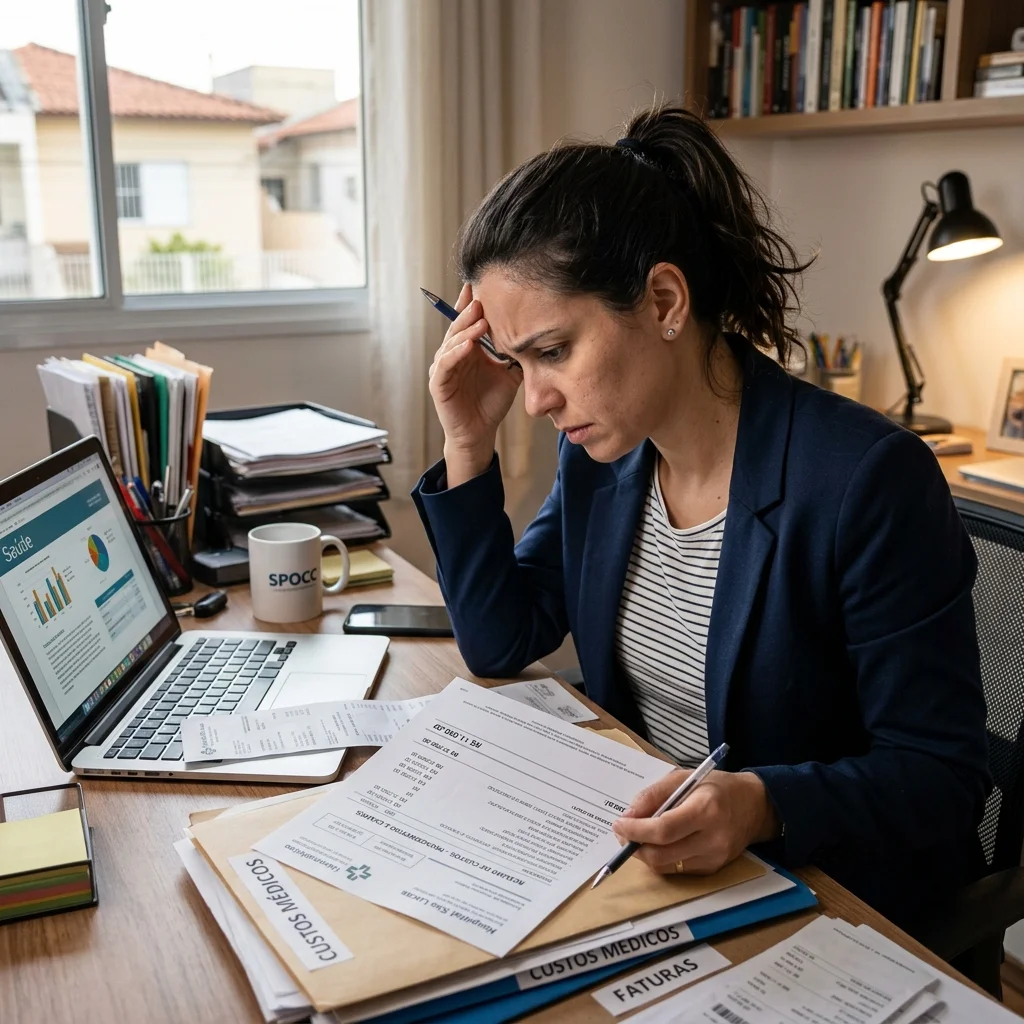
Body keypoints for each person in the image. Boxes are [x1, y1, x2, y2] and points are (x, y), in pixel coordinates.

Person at [411, 104, 990, 932]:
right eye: (514, 360)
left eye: (553, 351)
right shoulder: (603, 460)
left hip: (830, 899)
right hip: (663, 879)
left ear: (664, 300)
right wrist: (468, 443)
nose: (535, 400)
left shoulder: (867, 480)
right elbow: (501, 640)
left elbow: (941, 777)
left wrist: (762, 804)